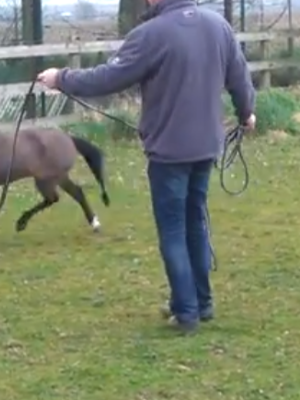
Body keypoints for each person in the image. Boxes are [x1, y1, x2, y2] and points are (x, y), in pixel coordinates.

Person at [37, 0, 256, 334]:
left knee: (173, 229)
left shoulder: (151, 34)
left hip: (169, 151)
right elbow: (239, 75)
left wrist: (61, 78)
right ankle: (202, 302)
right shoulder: (218, 26)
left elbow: (108, 77)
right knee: (194, 220)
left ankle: (186, 312)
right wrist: (246, 112)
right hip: (205, 147)